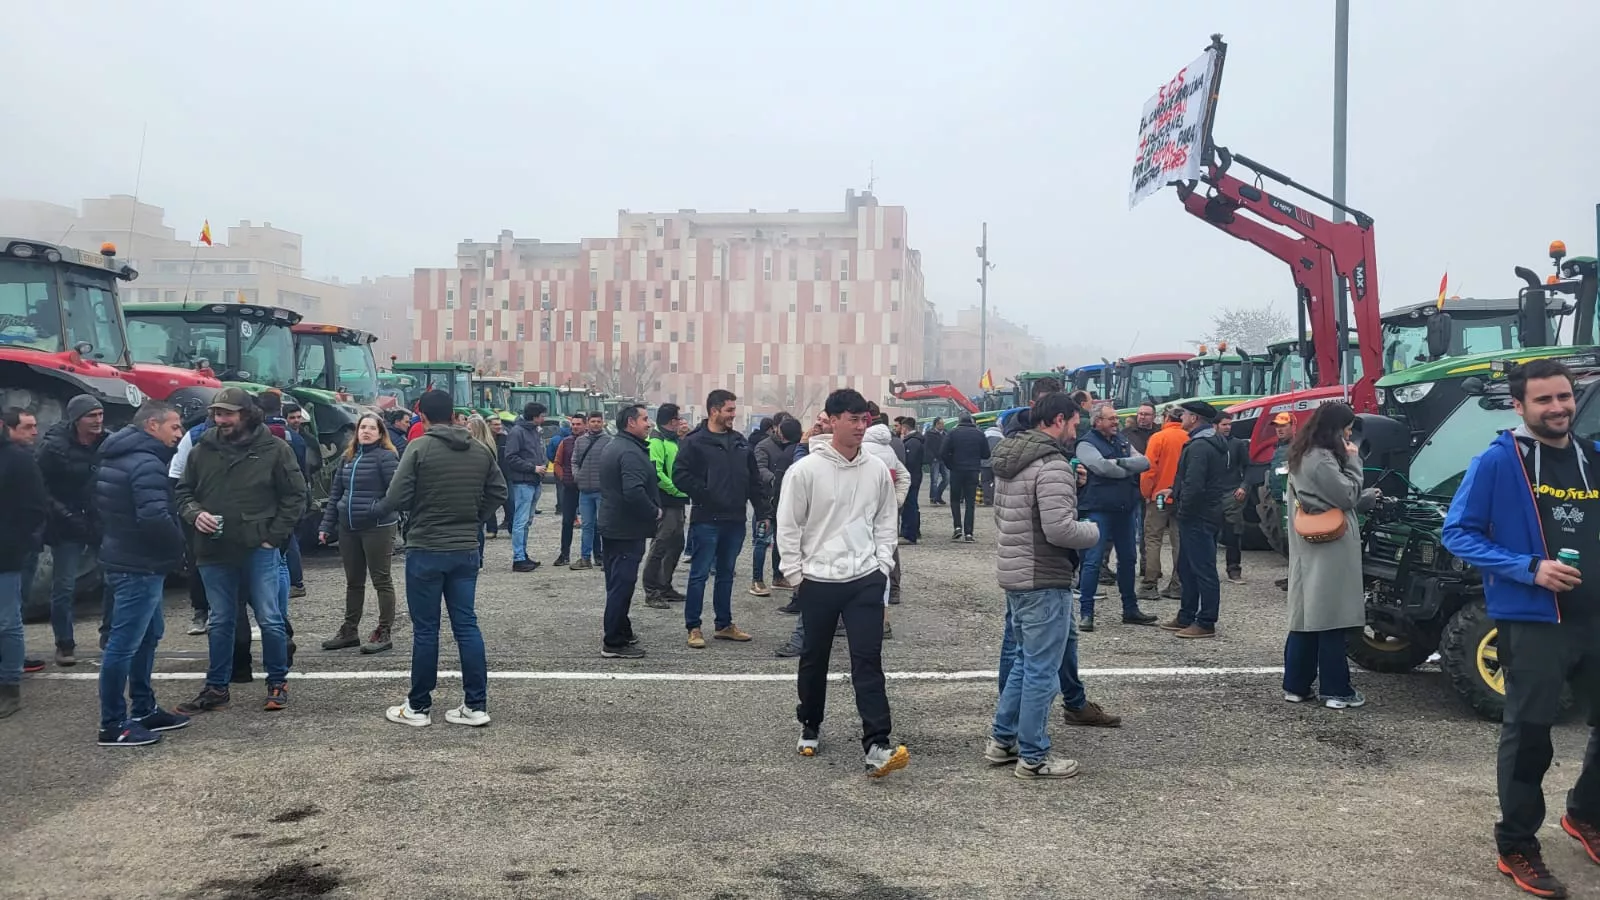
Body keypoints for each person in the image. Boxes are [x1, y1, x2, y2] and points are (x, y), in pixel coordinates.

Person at [1440, 359, 1600, 898]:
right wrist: (1530, 568)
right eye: (1543, 400)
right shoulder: (1497, 461)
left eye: (1564, 397)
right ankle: (1516, 843)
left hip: (1595, 616)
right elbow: (1458, 534)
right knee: (1531, 735)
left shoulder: (1592, 457)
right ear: (1520, 406)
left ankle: (1586, 815)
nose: (1557, 407)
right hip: (1535, 619)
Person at [778, 388, 908, 777]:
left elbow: (887, 520)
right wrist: (796, 574)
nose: (859, 426)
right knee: (814, 658)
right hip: (817, 580)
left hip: (865, 579)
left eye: (864, 419)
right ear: (831, 420)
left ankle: (878, 744)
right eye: (852, 419)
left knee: (868, 661)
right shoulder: (805, 470)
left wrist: (882, 564)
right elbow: (788, 524)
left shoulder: (874, 470)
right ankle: (810, 722)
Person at [987, 392, 1110, 779]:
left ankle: (1002, 740)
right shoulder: (1052, 464)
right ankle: (1034, 757)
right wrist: (1093, 532)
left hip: (1017, 573)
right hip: (1044, 575)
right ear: (1058, 419)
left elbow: (1004, 518)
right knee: (1042, 669)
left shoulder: (1012, 459)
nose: (1077, 431)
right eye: (1075, 423)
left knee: (1025, 662)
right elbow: (1059, 528)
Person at [376, 389, 506, 728]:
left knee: (426, 629)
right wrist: (474, 517)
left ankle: (419, 706)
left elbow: (395, 496)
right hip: (464, 548)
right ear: (453, 414)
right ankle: (475, 704)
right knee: (466, 625)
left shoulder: (419, 447)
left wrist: (419, 510)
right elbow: (498, 491)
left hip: (426, 548)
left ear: (423, 416)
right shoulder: (479, 450)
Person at [174, 388, 305, 715]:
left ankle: (277, 682)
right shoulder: (202, 449)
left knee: (271, 619)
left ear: (247, 414)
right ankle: (217, 686)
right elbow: (182, 492)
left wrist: (272, 538)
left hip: (258, 549)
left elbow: (295, 497)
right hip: (213, 550)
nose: (221, 420)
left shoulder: (275, 449)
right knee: (220, 622)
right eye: (217, 414)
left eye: (228, 413)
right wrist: (194, 513)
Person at [94, 400, 190, 746]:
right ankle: (114, 723)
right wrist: (179, 546)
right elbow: (154, 518)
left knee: (148, 636)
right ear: (153, 426)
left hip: (126, 558)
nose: (179, 433)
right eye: (174, 426)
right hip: (139, 565)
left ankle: (144, 708)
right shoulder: (147, 464)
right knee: (124, 644)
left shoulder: (116, 456)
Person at [1283, 401, 1375, 710]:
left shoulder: (1302, 454)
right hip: (1329, 548)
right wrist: (1353, 461)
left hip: (1308, 546)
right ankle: (1337, 690)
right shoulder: (1321, 458)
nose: (1349, 434)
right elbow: (1346, 495)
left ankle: (1296, 685)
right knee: (1332, 619)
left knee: (1306, 618)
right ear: (1336, 429)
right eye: (1347, 428)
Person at [672, 389, 765, 649]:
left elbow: (754, 481)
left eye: (734, 410)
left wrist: (763, 512)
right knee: (699, 574)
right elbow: (679, 475)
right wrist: (705, 492)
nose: (733, 415)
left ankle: (724, 624)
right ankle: (694, 627)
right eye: (729, 410)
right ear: (714, 411)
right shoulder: (694, 441)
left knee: (726, 574)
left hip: (735, 520)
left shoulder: (740, 442)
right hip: (707, 519)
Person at [317, 412, 400, 655]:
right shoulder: (348, 457)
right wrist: (325, 525)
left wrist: (376, 510)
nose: (365, 431)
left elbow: (395, 493)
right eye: (362, 427)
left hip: (377, 527)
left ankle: (384, 631)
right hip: (348, 527)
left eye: (371, 428)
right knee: (354, 581)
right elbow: (335, 495)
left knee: (381, 580)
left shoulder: (386, 457)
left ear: (380, 433)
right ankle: (350, 630)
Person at [34, 394, 106, 665]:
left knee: (113, 579)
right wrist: (64, 513)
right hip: (66, 522)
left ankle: (109, 635)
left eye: (100, 415)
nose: (98, 421)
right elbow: (40, 486)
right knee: (64, 585)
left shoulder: (107, 442)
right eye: (92, 416)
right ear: (77, 419)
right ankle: (64, 643)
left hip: (99, 519)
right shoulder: (53, 447)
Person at [1074, 402, 1156, 631]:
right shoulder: (1086, 443)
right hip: (1097, 509)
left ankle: (1130, 609)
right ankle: (1086, 613)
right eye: (1111, 418)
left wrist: (1118, 464)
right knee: (1092, 562)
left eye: (1116, 418)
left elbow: (1145, 462)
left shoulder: (1121, 440)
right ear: (1097, 421)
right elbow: (1100, 467)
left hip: (1125, 509)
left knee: (1128, 559)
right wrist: (1127, 467)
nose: (1116, 422)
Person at [1158, 401, 1229, 639]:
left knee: (1203, 569)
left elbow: (1195, 484)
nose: (1182, 418)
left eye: (1186, 414)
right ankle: (1186, 615)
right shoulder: (1211, 443)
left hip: (1197, 516)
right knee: (1187, 568)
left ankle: (1206, 621)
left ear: (1195, 418)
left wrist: (1183, 510)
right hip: (1204, 513)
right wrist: (1173, 490)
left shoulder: (1200, 446)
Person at [597, 403, 659, 659]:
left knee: (617, 583)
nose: (649, 423)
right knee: (621, 586)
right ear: (630, 423)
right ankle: (613, 641)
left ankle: (623, 629)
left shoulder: (616, 445)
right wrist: (654, 511)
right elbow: (633, 491)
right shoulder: (630, 452)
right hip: (625, 529)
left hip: (615, 526)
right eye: (645, 419)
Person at [0, 408, 48, 718]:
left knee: (6, 621)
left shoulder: (17, 458)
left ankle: (9, 686)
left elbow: (35, 506)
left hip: (5, 553)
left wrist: (14, 540)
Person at [863, 416, 911, 618]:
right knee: (890, 546)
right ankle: (894, 588)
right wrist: (896, 501)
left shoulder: (863, 450)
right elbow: (904, 476)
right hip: (888, 507)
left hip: (865, 506)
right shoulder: (890, 450)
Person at [642, 404, 689, 609]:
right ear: (672, 421)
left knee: (677, 544)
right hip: (666, 501)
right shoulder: (656, 441)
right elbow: (657, 473)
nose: (680, 421)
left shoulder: (673, 440)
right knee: (660, 545)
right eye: (678, 418)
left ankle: (664, 585)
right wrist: (677, 490)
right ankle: (652, 591)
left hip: (677, 502)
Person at [1139, 406, 1188, 601]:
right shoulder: (1189, 438)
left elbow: (1149, 468)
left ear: (1166, 417)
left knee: (1153, 538)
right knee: (1179, 540)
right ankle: (1177, 584)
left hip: (1158, 497)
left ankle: (1150, 584)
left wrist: (1146, 492)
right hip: (1180, 497)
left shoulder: (1158, 438)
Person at [751, 416, 801, 597]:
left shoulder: (791, 447)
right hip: (766, 500)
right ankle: (757, 580)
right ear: (775, 428)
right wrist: (775, 479)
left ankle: (778, 576)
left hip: (784, 501)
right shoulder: (764, 446)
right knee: (762, 541)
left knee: (781, 541)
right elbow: (759, 468)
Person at [503, 402, 549, 572]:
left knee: (526, 521)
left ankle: (523, 554)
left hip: (534, 481)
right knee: (520, 521)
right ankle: (518, 558)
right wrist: (533, 468)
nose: (544, 418)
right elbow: (511, 457)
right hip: (523, 482)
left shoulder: (534, 431)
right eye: (542, 415)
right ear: (535, 416)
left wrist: (543, 464)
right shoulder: (517, 432)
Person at [570, 412, 611, 570]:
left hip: (602, 491)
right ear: (588, 423)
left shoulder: (609, 441)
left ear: (603, 423)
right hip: (585, 491)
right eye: (593, 421)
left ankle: (605, 559)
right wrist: (577, 476)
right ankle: (585, 558)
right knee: (587, 525)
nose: (595, 424)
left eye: (598, 421)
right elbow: (574, 461)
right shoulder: (580, 441)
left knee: (603, 526)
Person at [940, 413, 990, 542]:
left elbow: (943, 452)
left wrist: (951, 464)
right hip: (973, 471)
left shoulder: (952, 433)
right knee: (970, 502)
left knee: (955, 500)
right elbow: (986, 454)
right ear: (972, 421)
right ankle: (969, 533)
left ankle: (957, 527)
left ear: (959, 420)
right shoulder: (979, 434)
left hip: (956, 470)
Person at [1216, 412, 1249, 584]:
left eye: (1229, 424)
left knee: (1233, 532)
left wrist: (1244, 486)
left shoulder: (1238, 444)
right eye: (1224, 424)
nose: (1228, 427)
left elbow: (1248, 468)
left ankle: (1234, 569)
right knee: (1210, 534)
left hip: (1232, 493)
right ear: (1216, 425)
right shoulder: (1208, 444)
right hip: (1213, 494)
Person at [1269, 412, 1296, 592]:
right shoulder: (1279, 448)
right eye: (1277, 426)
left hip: (1291, 502)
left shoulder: (1297, 448)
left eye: (1283, 426)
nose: (1279, 429)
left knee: (1293, 541)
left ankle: (1295, 578)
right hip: (1279, 499)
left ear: (1293, 426)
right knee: (1284, 540)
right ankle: (1291, 575)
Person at [553, 417, 581, 566]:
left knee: (592, 524)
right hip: (570, 487)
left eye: (578, 424)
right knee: (567, 522)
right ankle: (564, 554)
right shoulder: (566, 442)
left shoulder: (594, 441)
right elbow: (557, 462)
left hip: (588, 488)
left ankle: (596, 554)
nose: (575, 427)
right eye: (573, 424)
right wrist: (564, 477)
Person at [899, 418, 924, 544]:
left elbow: (910, 461)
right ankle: (907, 531)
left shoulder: (912, 442)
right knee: (910, 504)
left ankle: (911, 533)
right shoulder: (914, 440)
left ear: (905, 427)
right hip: (914, 476)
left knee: (911, 505)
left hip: (912, 477)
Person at [980, 420, 1004, 505]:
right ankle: (994, 499)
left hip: (985, 463)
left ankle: (987, 499)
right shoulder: (1002, 436)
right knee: (996, 481)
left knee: (985, 481)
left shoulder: (984, 435)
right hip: (997, 463)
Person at [924, 418, 947, 505]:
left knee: (946, 479)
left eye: (943, 423)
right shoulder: (930, 434)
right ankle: (933, 498)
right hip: (935, 460)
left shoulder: (946, 433)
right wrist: (931, 457)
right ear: (936, 425)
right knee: (934, 479)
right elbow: (926, 447)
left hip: (944, 460)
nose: (942, 425)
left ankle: (938, 496)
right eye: (940, 424)